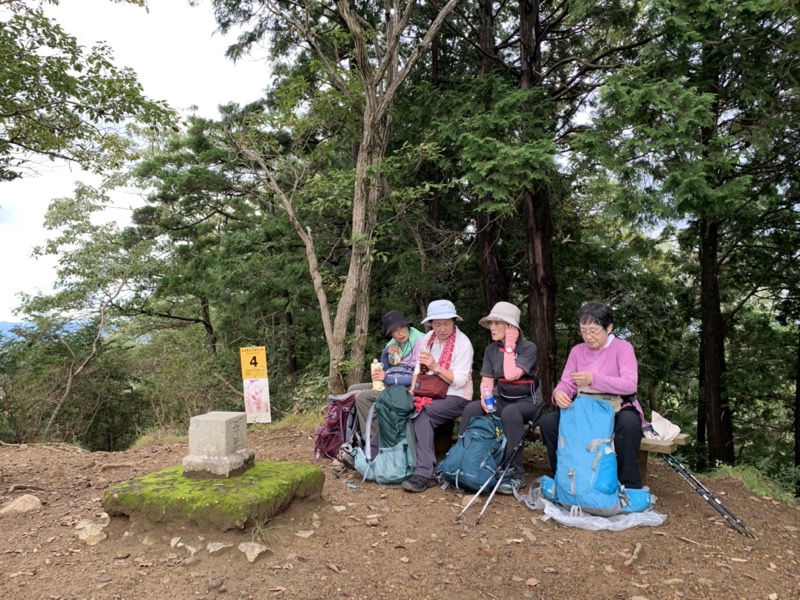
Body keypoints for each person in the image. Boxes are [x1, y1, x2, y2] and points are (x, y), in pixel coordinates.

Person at [538, 301, 645, 489]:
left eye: (594, 330)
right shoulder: (577, 351)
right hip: (585, 409)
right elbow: (567, 382)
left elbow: (630, 385)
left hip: (616, 408)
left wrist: (592, 379)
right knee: (549, 423)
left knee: (629, 424)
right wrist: (560, 393)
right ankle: (566, 477)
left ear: (609, 328)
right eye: (583, 330)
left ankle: (627, 485)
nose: (588, 336)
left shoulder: (622, 348)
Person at [458, 301, 543, 495]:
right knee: (472, 409)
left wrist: (510, 346)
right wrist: (486, 396)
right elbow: (487, 380)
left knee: (510, 413)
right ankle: (460, 458)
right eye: (491, 324)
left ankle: (515, 474)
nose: (492, 328)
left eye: (498, 323)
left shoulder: (528, 347)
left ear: (511, 327)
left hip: (528, 402)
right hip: (503, 398)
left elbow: (512, 374)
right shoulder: (491, 350)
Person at [402, 300, 474, 493]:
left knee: (422, 413)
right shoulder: (428, 339)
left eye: (447, 323)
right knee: (403, 407)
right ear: (431, 324)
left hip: (457, 397)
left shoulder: (463, 343)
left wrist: (436, 367)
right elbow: (418, 368)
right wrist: (411, 392)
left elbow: (459, 381)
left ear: (454, 322)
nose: (442, 329)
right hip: (429, 392)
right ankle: (383, 458)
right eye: (437, 324)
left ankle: (425, 473)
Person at [347, 310, 425, 434]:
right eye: (395, 330)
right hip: (391, 382)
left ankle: (375, 441)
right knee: (352, 389)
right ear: (390, 334)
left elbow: (421, 376)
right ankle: (355, 437)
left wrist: (387, 379)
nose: (400, 333)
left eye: (402, 327)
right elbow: (386, 370)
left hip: (407, 386)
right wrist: (386, 352)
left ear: (408, 326)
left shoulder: (421, 341)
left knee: (362, 397)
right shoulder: (393, 344)